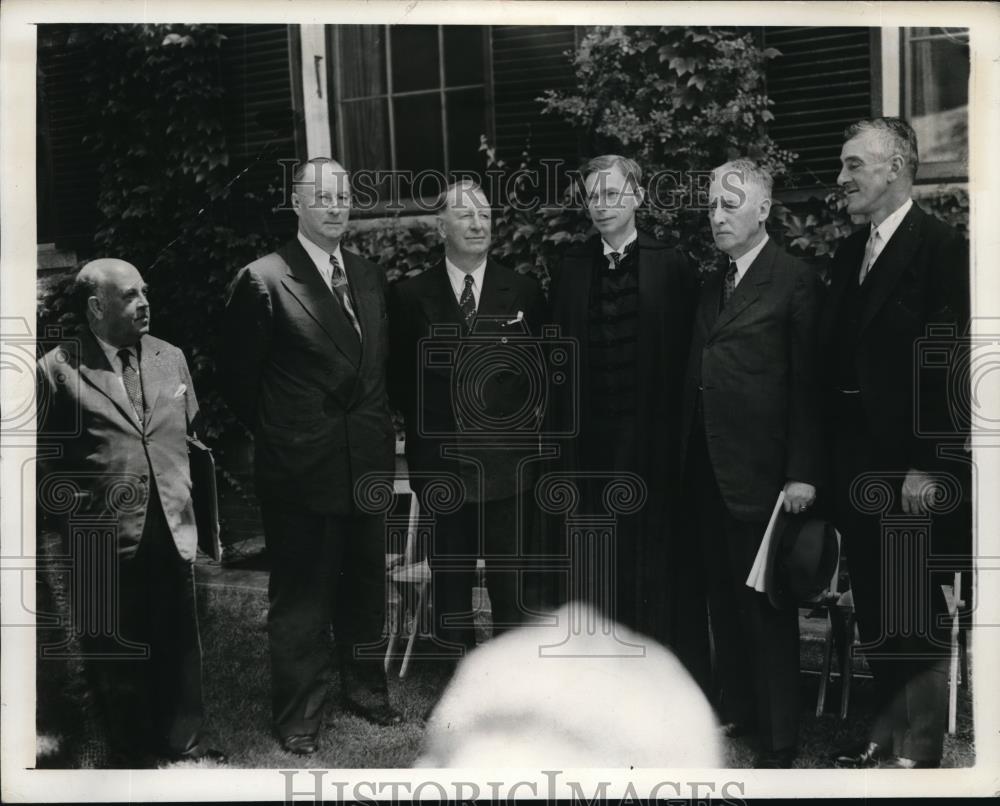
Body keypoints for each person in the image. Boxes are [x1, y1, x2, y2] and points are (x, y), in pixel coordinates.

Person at [221, 157, 400, 756]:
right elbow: (239, 381)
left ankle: (366, 691)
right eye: (320, 196)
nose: (334, 205)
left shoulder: (368, 274)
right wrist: (290, 434)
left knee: (365, 585)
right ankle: (299, 713)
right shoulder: (264, 279)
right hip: (302, 468)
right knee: (301, 595)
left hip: (366, 463)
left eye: (343, 194)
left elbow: (378, 366)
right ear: (296, 204)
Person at [36, 259, 224, 767]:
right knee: (113, 649)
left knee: (178, 641)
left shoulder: (171, 357)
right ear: (96, 307)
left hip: (170, 523)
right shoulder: (58, 368)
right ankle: (132, 754)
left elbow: (189, 431)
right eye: (129, 296)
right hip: (100, 536)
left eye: (145, 292)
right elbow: (39, 461)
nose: (144, 303)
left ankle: (184, 745)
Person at [824, 118, 970, 770]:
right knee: (880, 604)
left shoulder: (942, 248)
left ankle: (920, 747)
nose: (842, 178)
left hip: (910, 468)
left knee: (914, 606)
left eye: (855, 164)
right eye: (843, 165)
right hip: (856, 464)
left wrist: (927, 464)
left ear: (896, 167)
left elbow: (951, 363)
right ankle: (884, 733)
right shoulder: (846, 251)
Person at [678, 159, 824, 768]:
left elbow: (810, 386)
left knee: (767, 606)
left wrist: (803, 470)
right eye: (712, 205)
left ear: (763, 210)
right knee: (723, 600)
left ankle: (780, 738)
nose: (717, 216)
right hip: (708, 472)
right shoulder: (713, 284)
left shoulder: (793, 279)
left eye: (730, 205)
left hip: (766, 478)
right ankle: (738, 707)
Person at [387, 180, 546, 674]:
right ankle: (457, 681)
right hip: (442, 468)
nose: (478, 224)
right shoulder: (411, 296)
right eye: (465, 216)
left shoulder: (522, 291)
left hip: (507, 470)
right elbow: (400, 384)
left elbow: (539, 380)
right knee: (450, 580)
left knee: (510, 584)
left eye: (485, 216)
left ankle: (511, 682)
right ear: (442, 227)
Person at [547, 155, 699, 661]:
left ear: (636, 196)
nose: (602, 205)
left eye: (612, 194)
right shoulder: (570, 267)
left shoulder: (672, 264)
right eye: (592, 196)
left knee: (650, 562)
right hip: (589, 446)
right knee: (595, 560)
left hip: (650, 446)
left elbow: (685, 363)